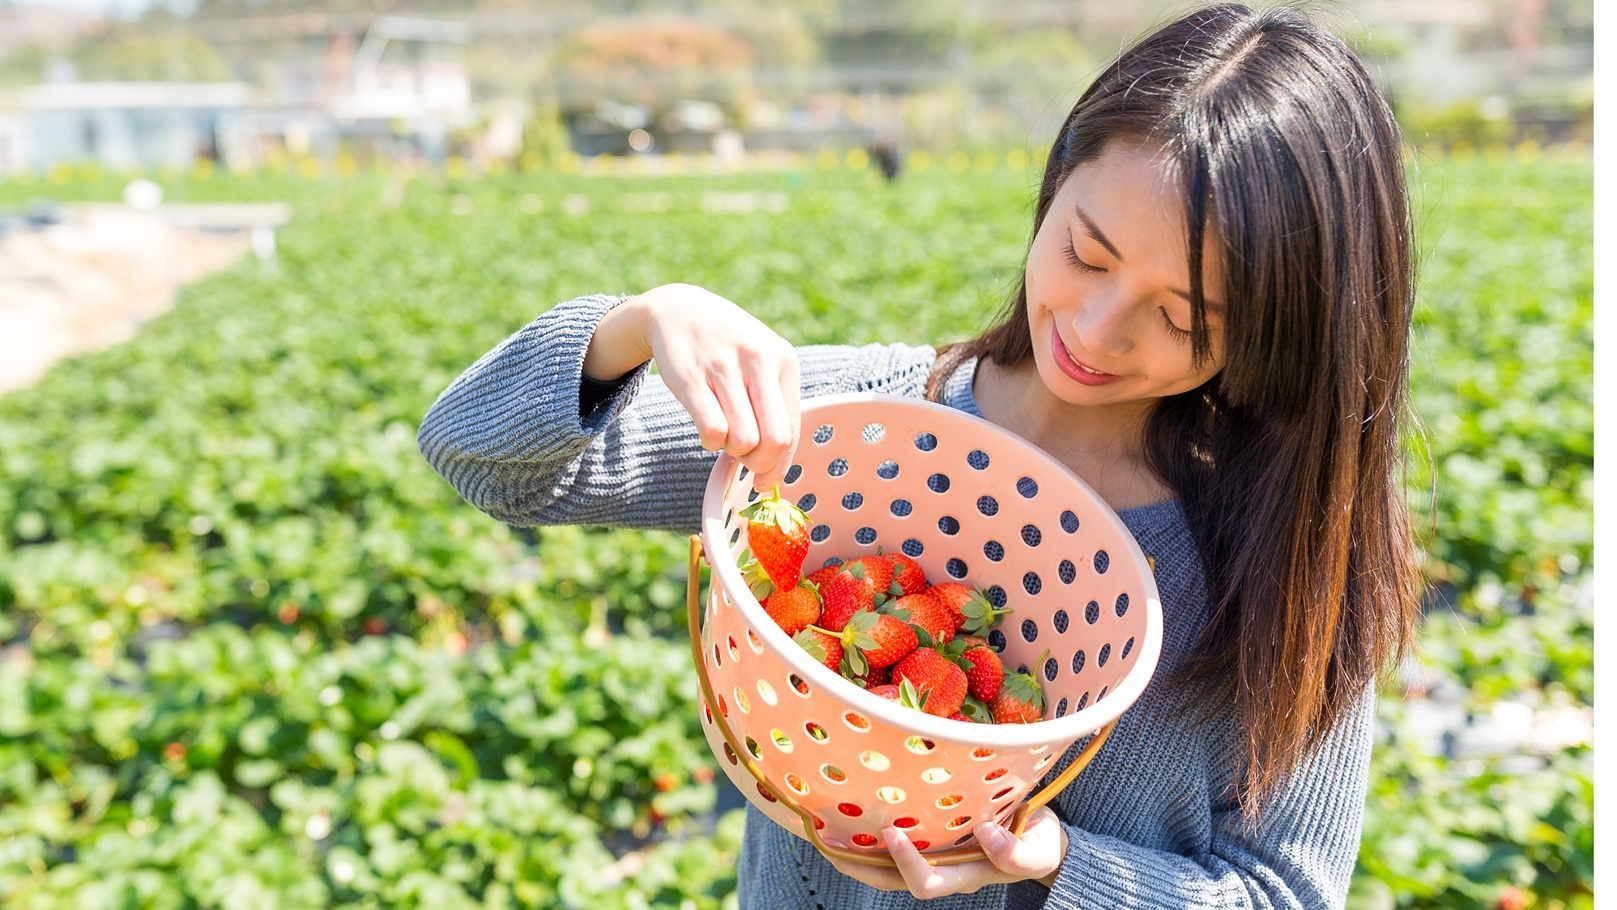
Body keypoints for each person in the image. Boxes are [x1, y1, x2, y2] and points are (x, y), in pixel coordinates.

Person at [417, 4, 1421, 907]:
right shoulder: (853, 424)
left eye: (1181, 316)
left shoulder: (1279, 563)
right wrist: (639, 325)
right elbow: (479, 455)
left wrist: (1052, 865)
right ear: (1058, 176)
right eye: (1087, 252)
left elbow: (1285, 892)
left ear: (1275, 330)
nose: (1100, 330)